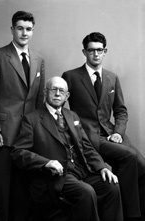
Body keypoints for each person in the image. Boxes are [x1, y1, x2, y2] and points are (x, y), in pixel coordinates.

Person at [11, 76, 123, 221]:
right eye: (54, 90)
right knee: (86, 192)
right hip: (57, 177)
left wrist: (102, 168)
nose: (57, 94)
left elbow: (86, 147)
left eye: (61, 91)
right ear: (45, 92)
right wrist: (46, 163)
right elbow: (18, 152)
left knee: (111, 186)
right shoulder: (32, 119)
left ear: (67, 96)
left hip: (82, 170)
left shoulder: (72, 116)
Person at [62, 32, 145, 221]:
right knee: (129, 157)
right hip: (88, 135)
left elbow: (121, 111)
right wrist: (72, 131)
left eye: (100, 50)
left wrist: (118, 133)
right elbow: (59, 105)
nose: (96, 54)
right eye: (91, 50)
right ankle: (131, 215)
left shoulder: (112, 78)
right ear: (84, 52)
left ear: (105, 51)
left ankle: (126, 208)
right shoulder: (71, 76)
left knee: (142, 165)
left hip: (111, 132)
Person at [0, 11, 45, 221]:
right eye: (20, 28)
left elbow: (39, 99)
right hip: (3, 132)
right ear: (12, 30)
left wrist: (40, 130)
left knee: (23, 187)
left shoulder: (39, 59)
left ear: (33, 31)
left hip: (28, 133)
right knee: (1, 186)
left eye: (28, 29)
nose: (24, 33)